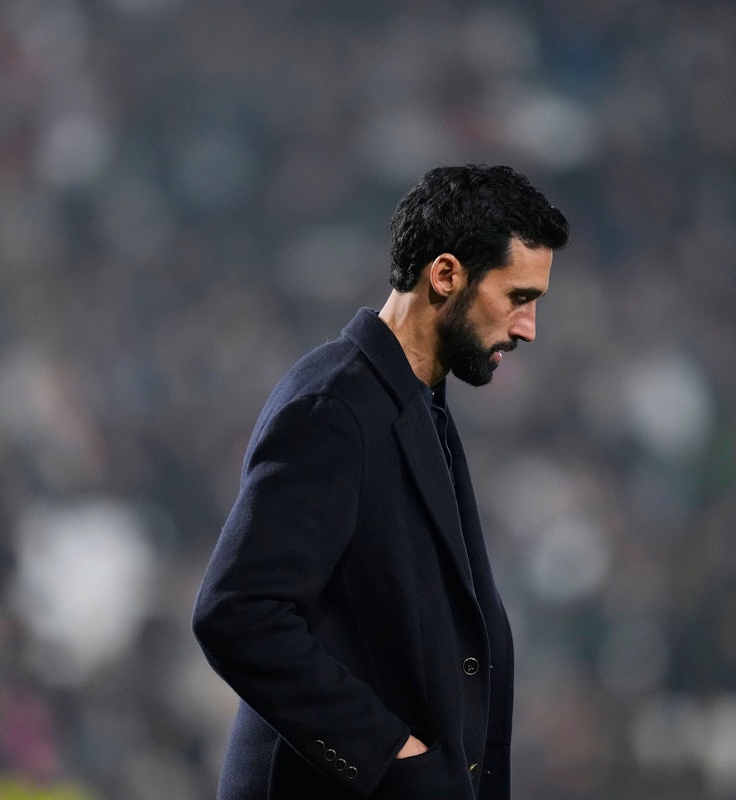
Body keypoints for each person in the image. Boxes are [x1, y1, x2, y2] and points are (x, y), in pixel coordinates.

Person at [191, 164, 569, 799]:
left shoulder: (416, 404)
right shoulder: (334, 408)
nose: (528, 327)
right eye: (518, 298)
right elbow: (238, 611)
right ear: (446, 275)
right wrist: (388, 752)